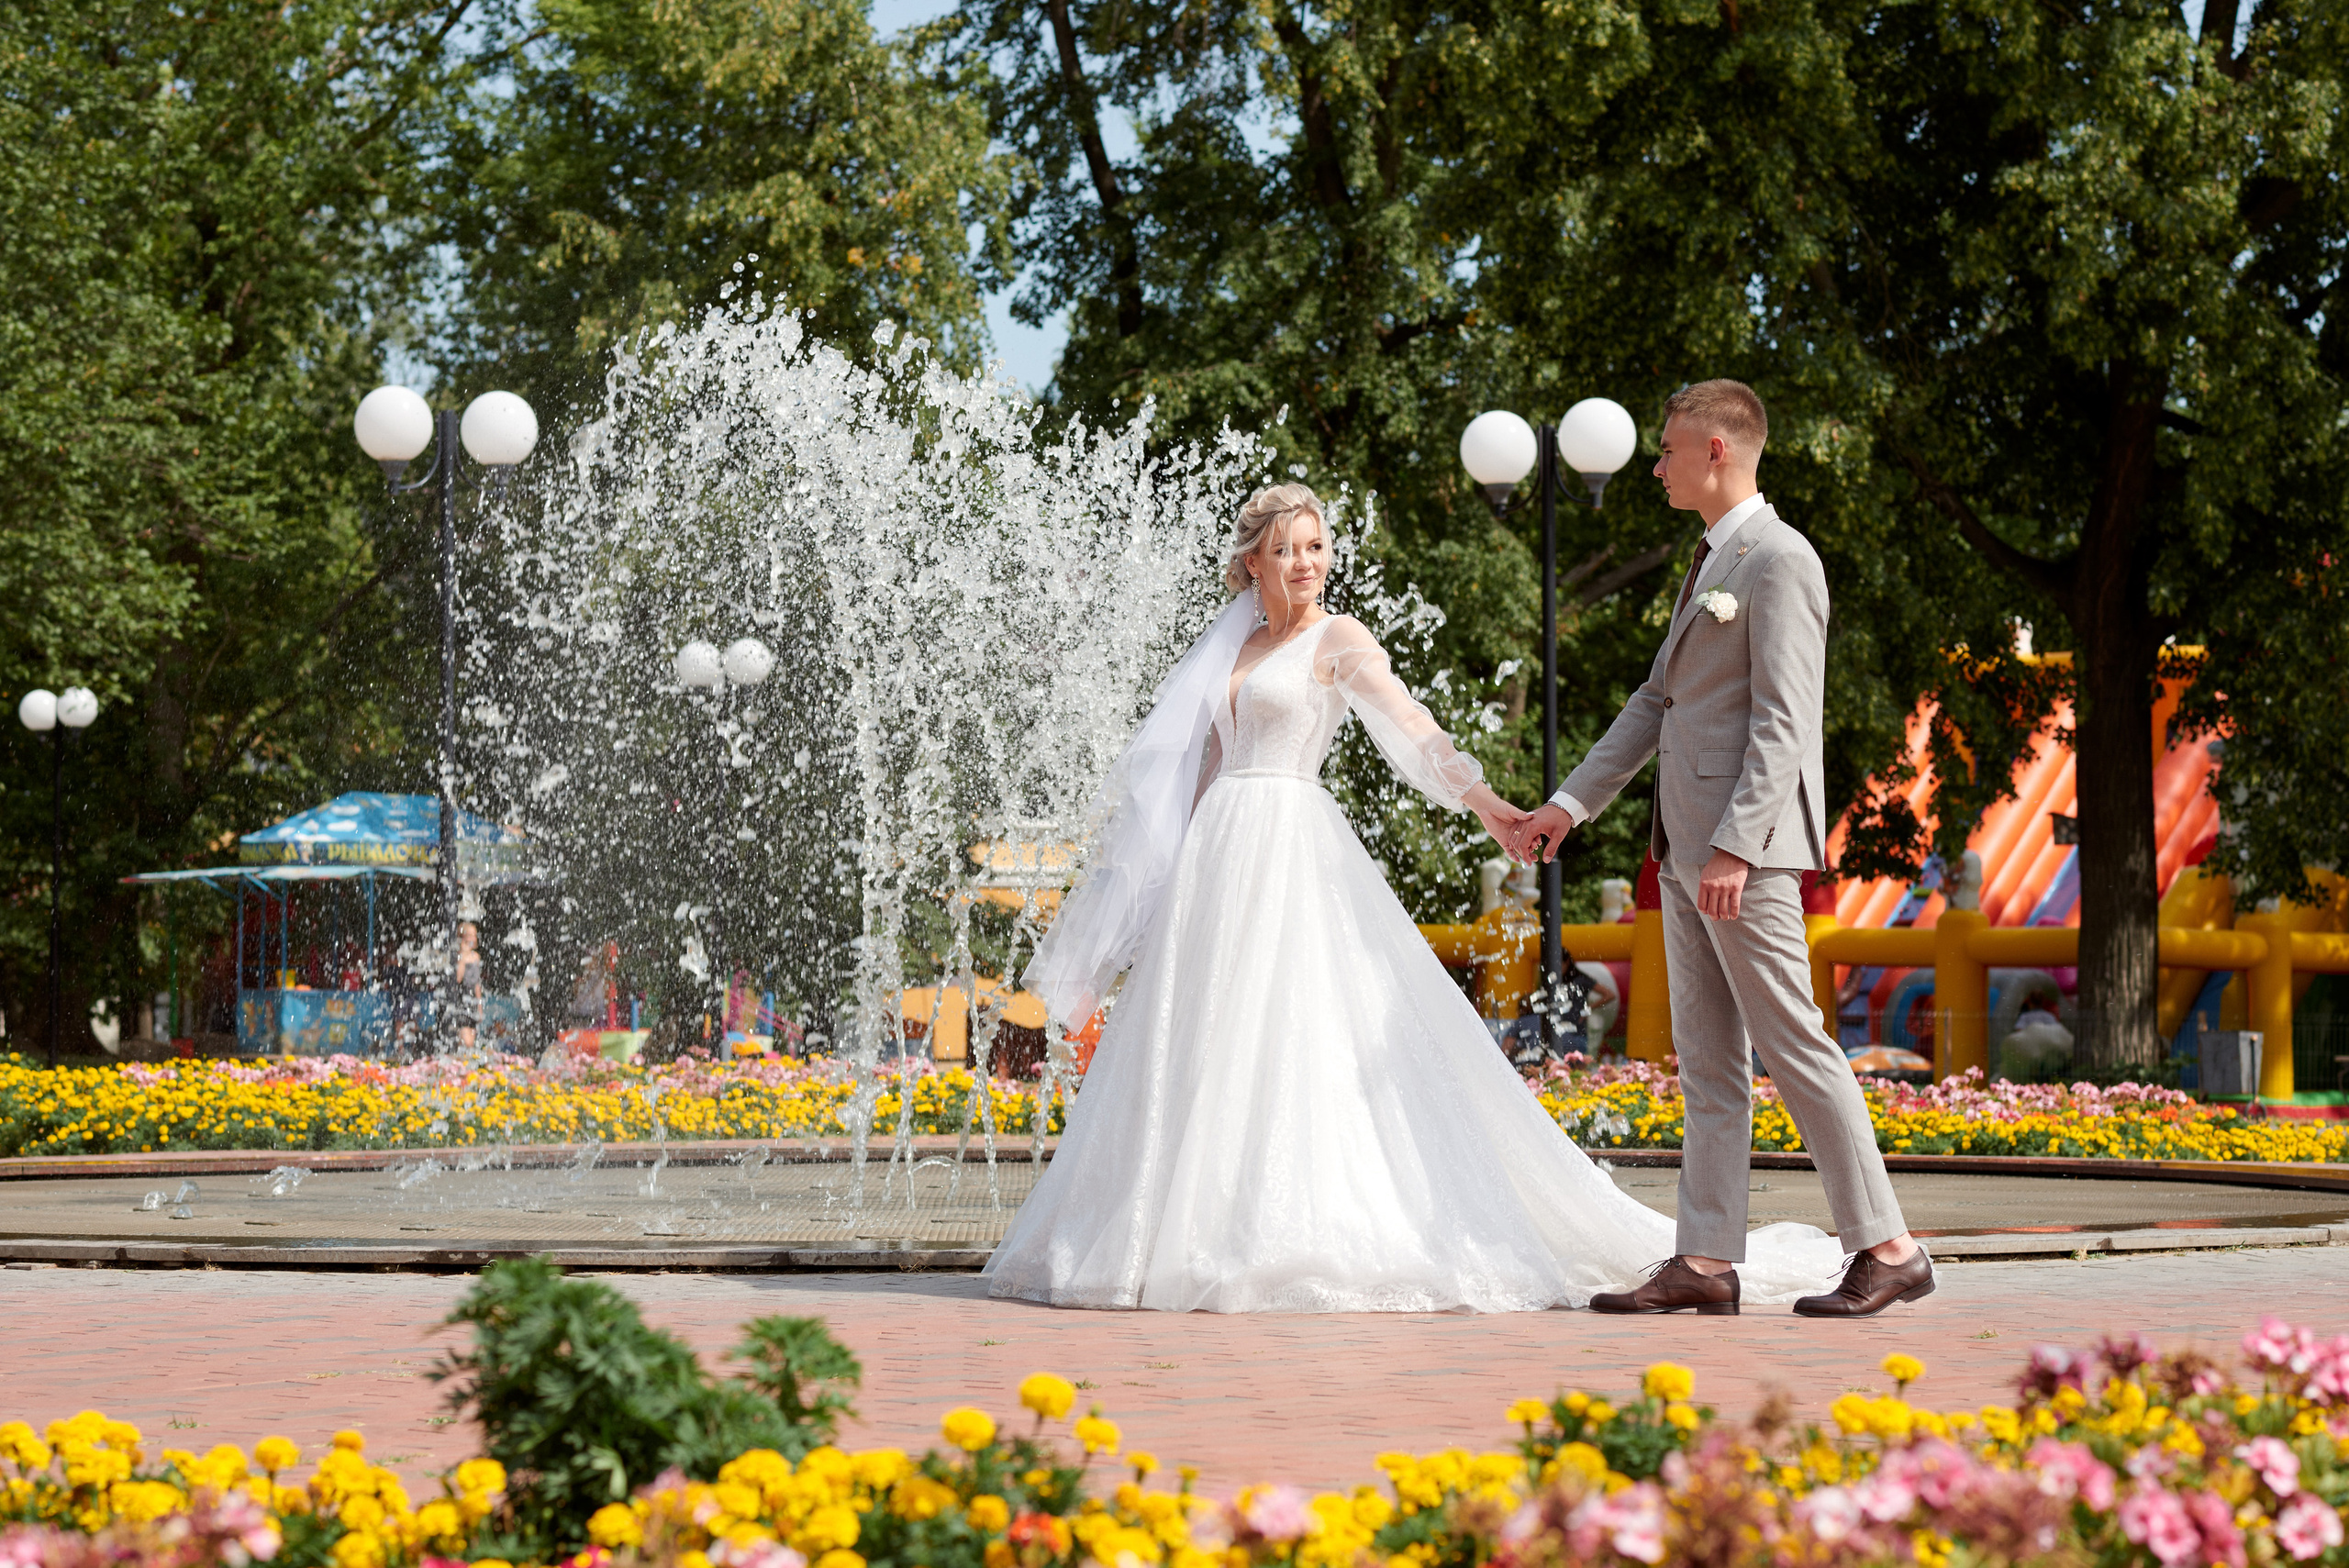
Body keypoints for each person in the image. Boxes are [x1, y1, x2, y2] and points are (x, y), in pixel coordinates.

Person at [983, 484, 1843, 1313]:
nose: (1307, 563)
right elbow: (1191, 777)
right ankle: (1169, 1229)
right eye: (1287, 549)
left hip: (1289, 842)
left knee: (1290, 1031)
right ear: (1252, 562)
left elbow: (1414, 729)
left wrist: (1491, 804)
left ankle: (1277, 1229)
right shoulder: (1228, 651)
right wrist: (1141, 911)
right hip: (1218, 853)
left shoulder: (1337, 638)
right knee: (1200, 1033)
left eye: (1317, 546)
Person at [1508, 380, 1932, 1318]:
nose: (1653, 466)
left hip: (1746, 855)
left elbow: (1786, 721)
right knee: (1705, 1060)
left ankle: (1889, 1245)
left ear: (1714, 449)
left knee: (1796, 1046)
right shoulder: (1712, 560)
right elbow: (1656, 703)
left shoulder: (1781, 560)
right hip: (1685, 849)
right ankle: (1703, 1259)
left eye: (1665, 450)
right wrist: (1570, 805)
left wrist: (1738, 847)